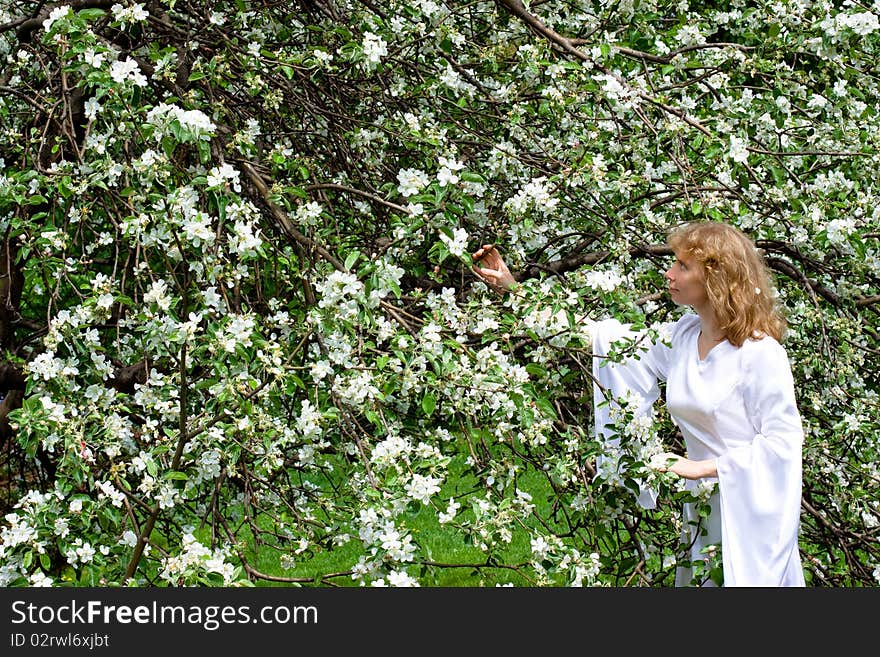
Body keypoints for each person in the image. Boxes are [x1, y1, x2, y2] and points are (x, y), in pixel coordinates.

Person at [471, 221, 806, 587]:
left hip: (750, 510)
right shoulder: (683, 337)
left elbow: (783, 444)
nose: (669, 272)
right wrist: (513, 289)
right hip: (704, 507)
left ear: (716, 278)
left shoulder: (760, 354)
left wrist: (702, 468)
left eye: (683, 266)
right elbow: (601, 339)